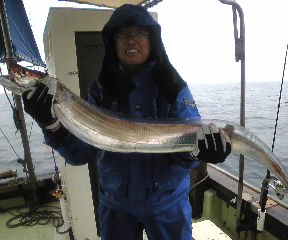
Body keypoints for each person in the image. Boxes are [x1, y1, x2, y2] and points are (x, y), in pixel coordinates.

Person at [22, 4, 231, 240]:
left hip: (166, 204)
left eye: (139, 32)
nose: (131, 40)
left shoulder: (173, 87)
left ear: (152, 40)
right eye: (122, 34)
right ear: (112, 43)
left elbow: (185, 152)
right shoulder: (100, 91)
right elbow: (80, 154)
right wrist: (51, 125)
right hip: (115, 206)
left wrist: (200, 153)